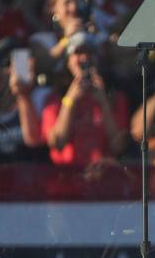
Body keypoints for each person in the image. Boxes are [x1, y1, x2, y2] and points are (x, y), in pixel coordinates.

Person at [40, 32, 129, 165]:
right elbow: (57, 143)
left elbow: (118, 147)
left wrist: (103, 102)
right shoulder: (55, 99)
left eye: (90, 53)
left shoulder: (115, 97)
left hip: (104, 176)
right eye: (78, 53)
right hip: (67, 179)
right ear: (68, 61)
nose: (84, 58)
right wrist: (70, 101)